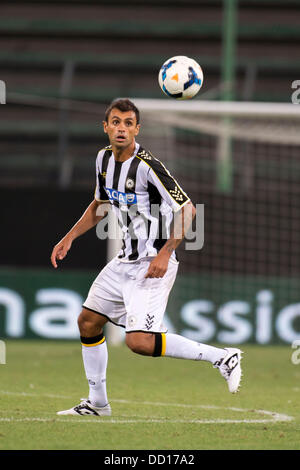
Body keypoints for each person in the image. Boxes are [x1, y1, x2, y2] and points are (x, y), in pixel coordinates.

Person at [51, 98, 242, 417]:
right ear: (106, 127)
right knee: (88, 321)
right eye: (116, 122)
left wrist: (166, 252)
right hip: (124, 261)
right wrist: (70, 237)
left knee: (138, 342)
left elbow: (188, 209)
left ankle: (223, 357)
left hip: (153, 264)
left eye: (128, 123)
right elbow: (101, 204)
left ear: (137, 128)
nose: (121, 128)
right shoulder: (102, 160)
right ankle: (97, 403)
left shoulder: (148, 166)